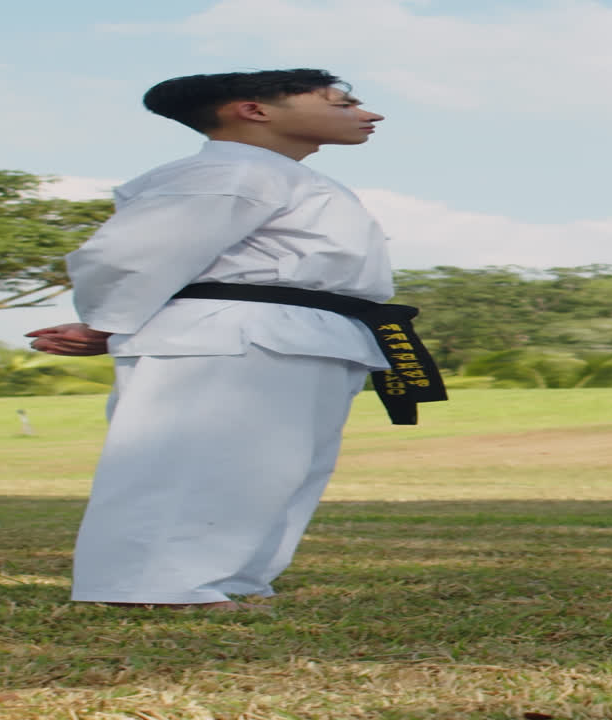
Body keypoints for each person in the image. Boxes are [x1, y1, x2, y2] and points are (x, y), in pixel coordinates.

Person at [27, 69, 419, 611]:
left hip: (300, 330)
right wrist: (109, 320)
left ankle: (233, 577)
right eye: (342, 102)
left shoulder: (284, 176)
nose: (366, 114)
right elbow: (132, 253)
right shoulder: (227, 170)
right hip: (230, 332)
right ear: (254, 110)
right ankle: (154, 586)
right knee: (197, 461)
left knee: (275, 468)